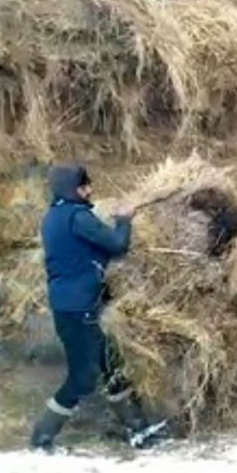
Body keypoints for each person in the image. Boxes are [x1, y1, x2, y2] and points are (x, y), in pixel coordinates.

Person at [29, 163, 160, 450]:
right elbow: (118, 245)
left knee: (111, 363)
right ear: (74, 190)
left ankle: (137, 427)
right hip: (79, 308)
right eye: (84, 186)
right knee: (83, 376)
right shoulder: (79, 217)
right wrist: (125, 219)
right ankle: (42, 436)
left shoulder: (53, 216)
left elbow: (87, 251)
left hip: (72, 305)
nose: (89, 191)